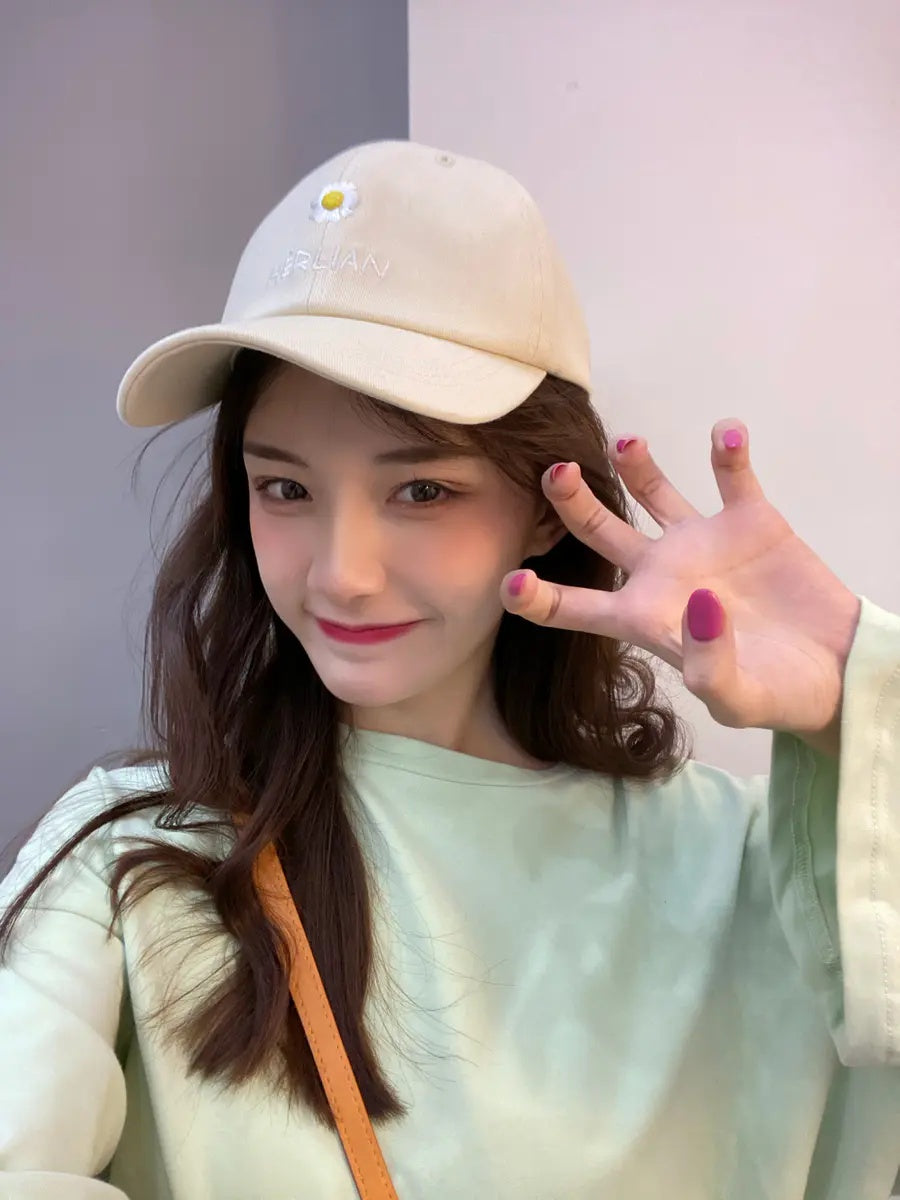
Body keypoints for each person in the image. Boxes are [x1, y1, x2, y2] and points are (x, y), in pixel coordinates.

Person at [0, 138, 897, 1200]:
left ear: (545, 505)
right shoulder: (134, 861)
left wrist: (859, 700)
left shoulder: (764, 875)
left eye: (421, 491)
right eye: (285, 489)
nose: (343, 574)